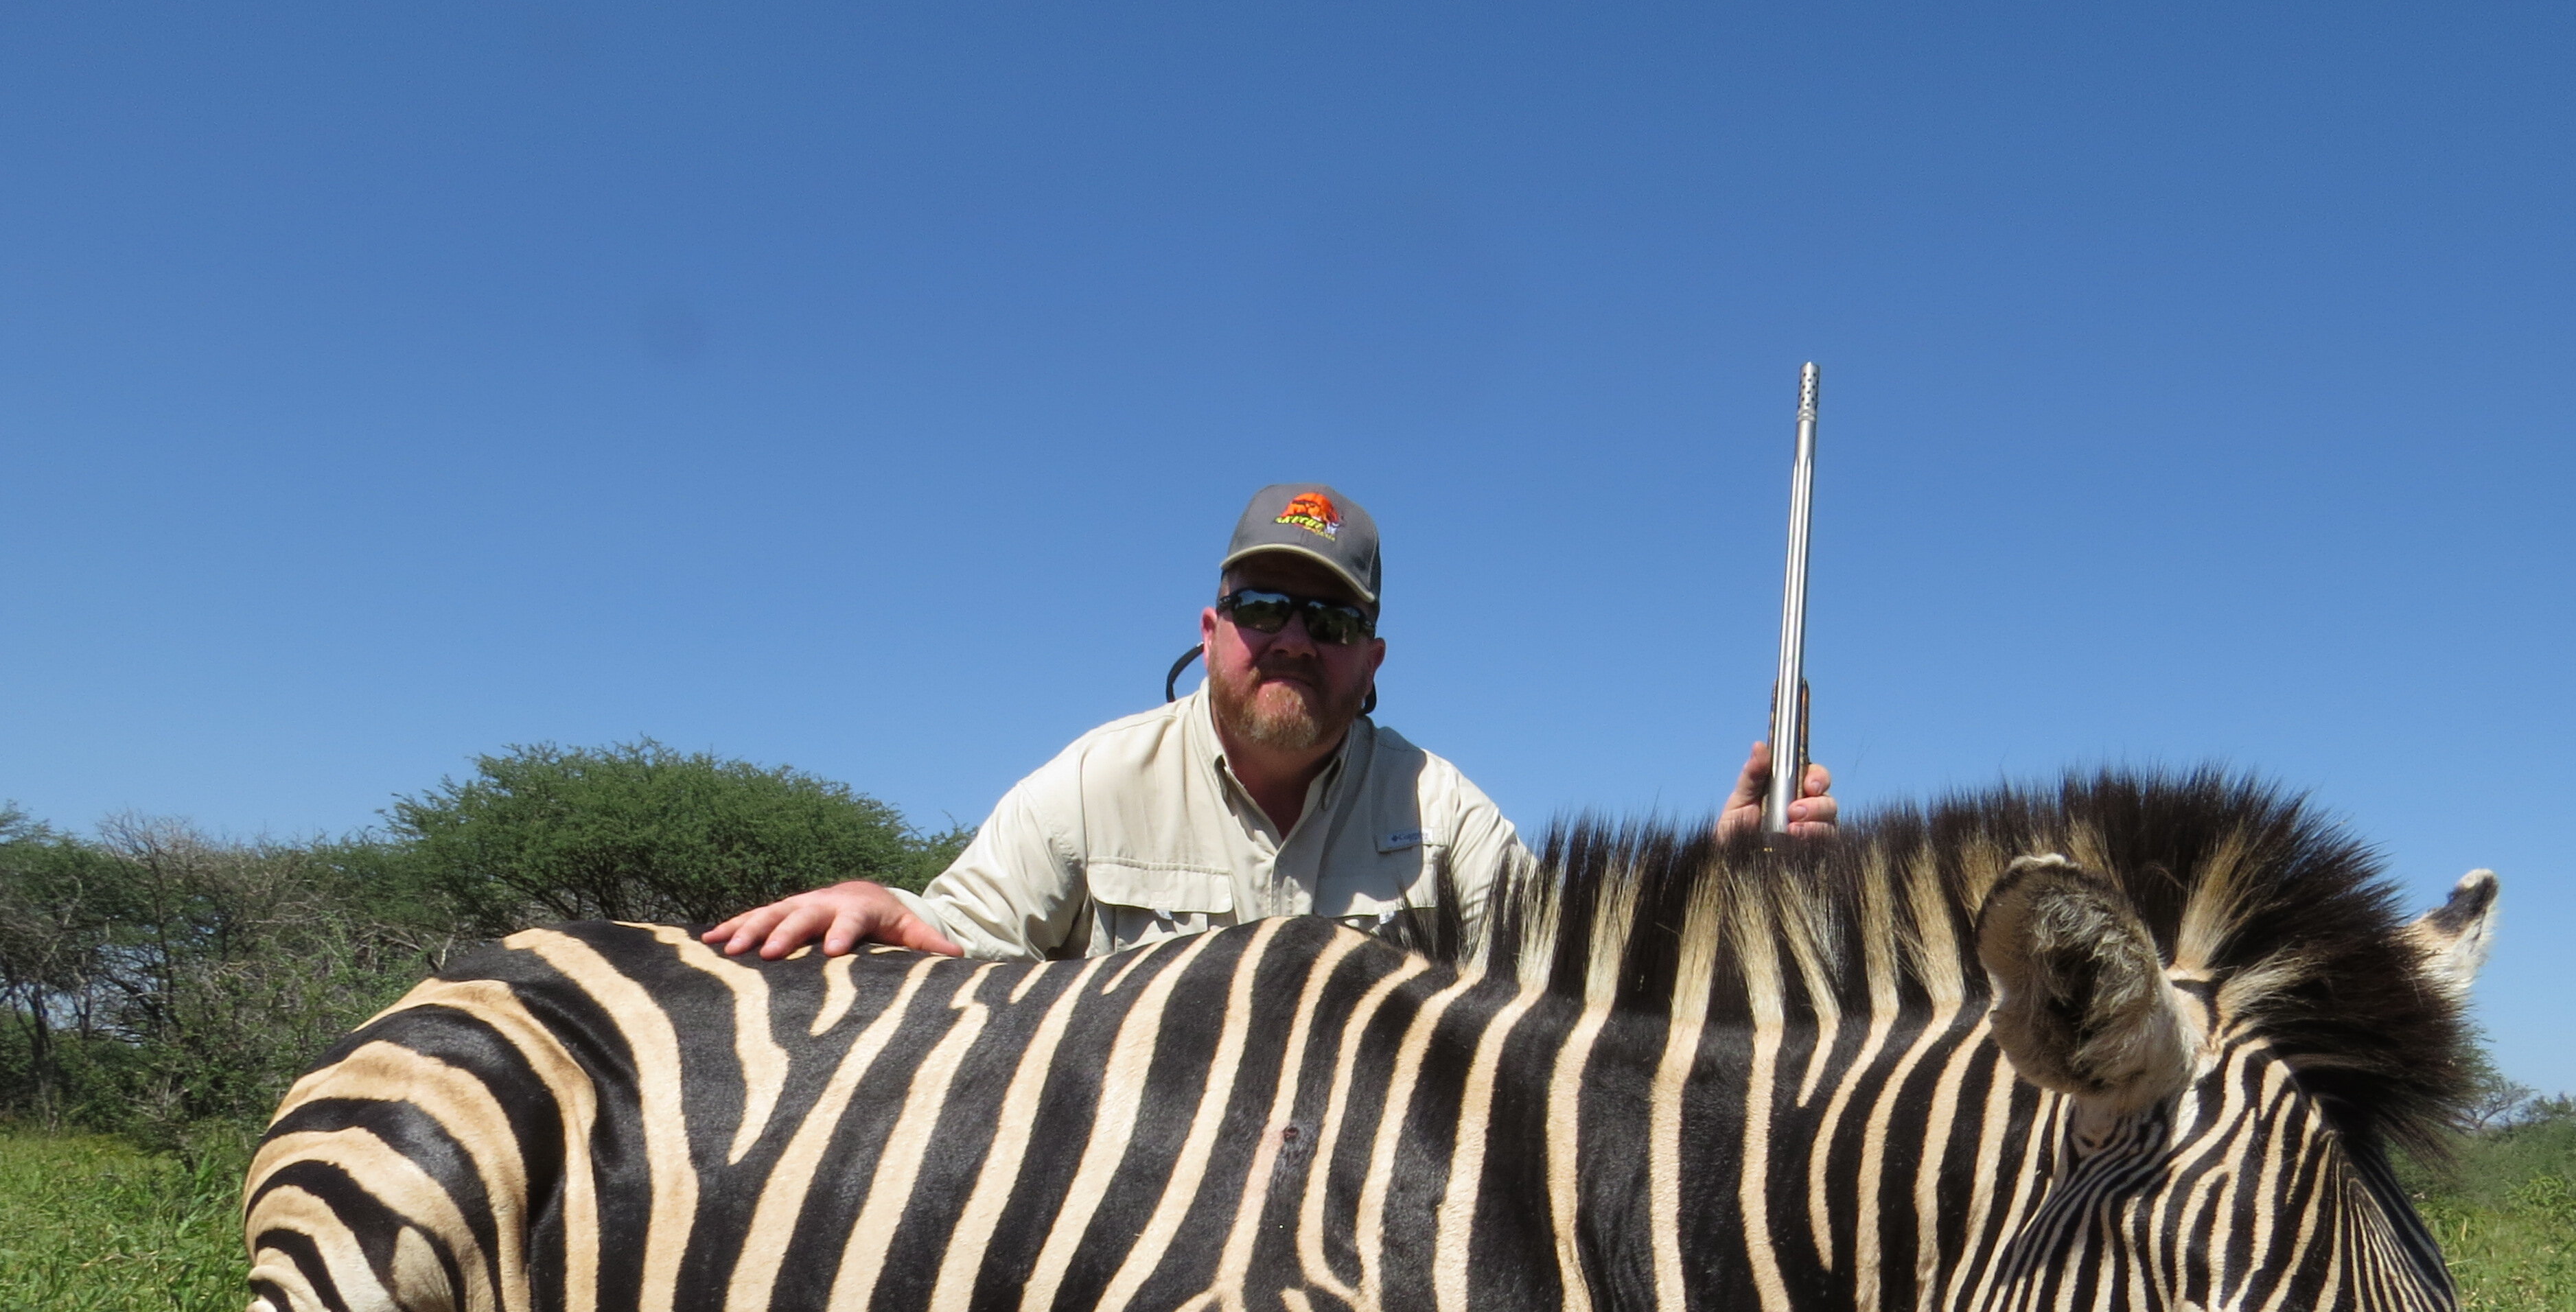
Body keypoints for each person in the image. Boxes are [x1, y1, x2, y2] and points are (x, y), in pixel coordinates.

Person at [704, 483, 1836, 965]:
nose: (1293, 635)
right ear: (1211, 630)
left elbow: (1565, 976)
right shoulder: (1097, 782)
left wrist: (1720, 887)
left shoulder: (1441, 814)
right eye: (1264, 606)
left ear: (1373, 657)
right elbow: (955, 938)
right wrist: (880, 903)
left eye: (1331, 615)